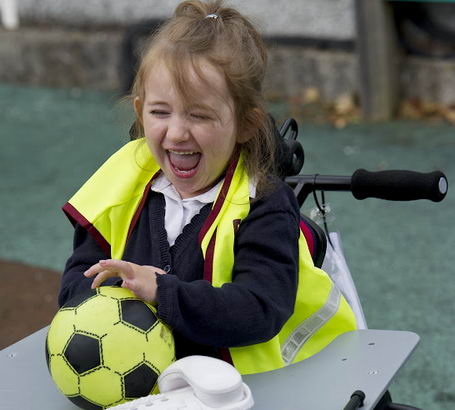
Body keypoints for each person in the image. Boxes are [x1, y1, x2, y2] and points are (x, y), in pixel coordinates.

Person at [59, 0, 356, 375]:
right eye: (160, 112)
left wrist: (161, 292)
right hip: (153, 382)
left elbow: (260, 308)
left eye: (199, 115)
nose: (177, 132)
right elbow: (75, 282)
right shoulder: (122, 184)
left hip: (260, 384)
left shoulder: (263, 203)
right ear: (139, 111)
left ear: (246, 125)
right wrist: (113, 293)